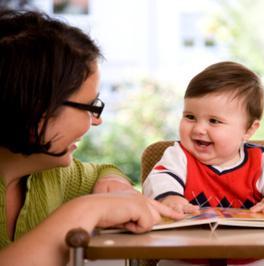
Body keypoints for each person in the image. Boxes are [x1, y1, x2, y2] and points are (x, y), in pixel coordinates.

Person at [0, 9, 183, 265]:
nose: (97, 120)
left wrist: (113, 184)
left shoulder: (48, 175)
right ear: (37, 108)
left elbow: (101, 171)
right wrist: (88, 209)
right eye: (90, 106)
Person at [143, 61, 264, 266]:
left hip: (249, 259)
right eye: (190, 117)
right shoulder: (179, 156)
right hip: (183, 258)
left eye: (214, 121)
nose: (199, 129)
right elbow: (159, 178)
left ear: (248, 130)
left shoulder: (261, 162)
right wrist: (169, 197)